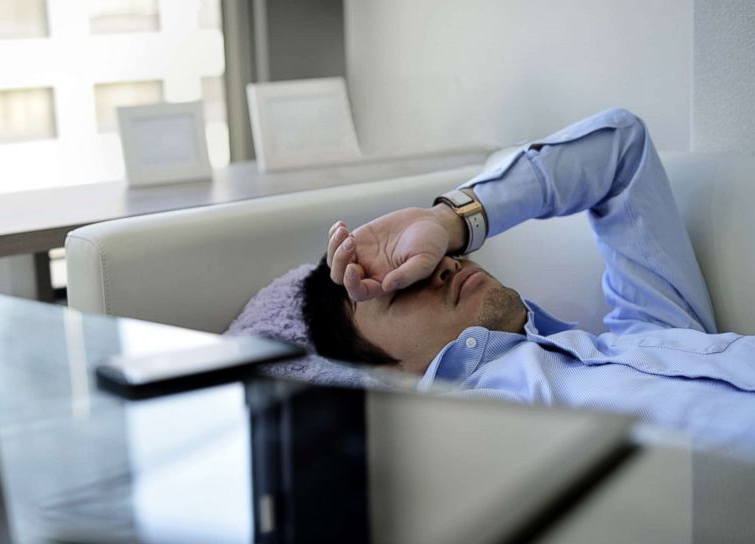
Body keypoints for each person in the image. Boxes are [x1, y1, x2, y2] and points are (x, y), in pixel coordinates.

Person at [302, 108, 755, 450]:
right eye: (399, 287)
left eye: (443, 254)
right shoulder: (482, 432)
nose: (444, 265)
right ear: (379, 372)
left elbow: (621, 148)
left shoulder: (650, 333)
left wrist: (450, 220)